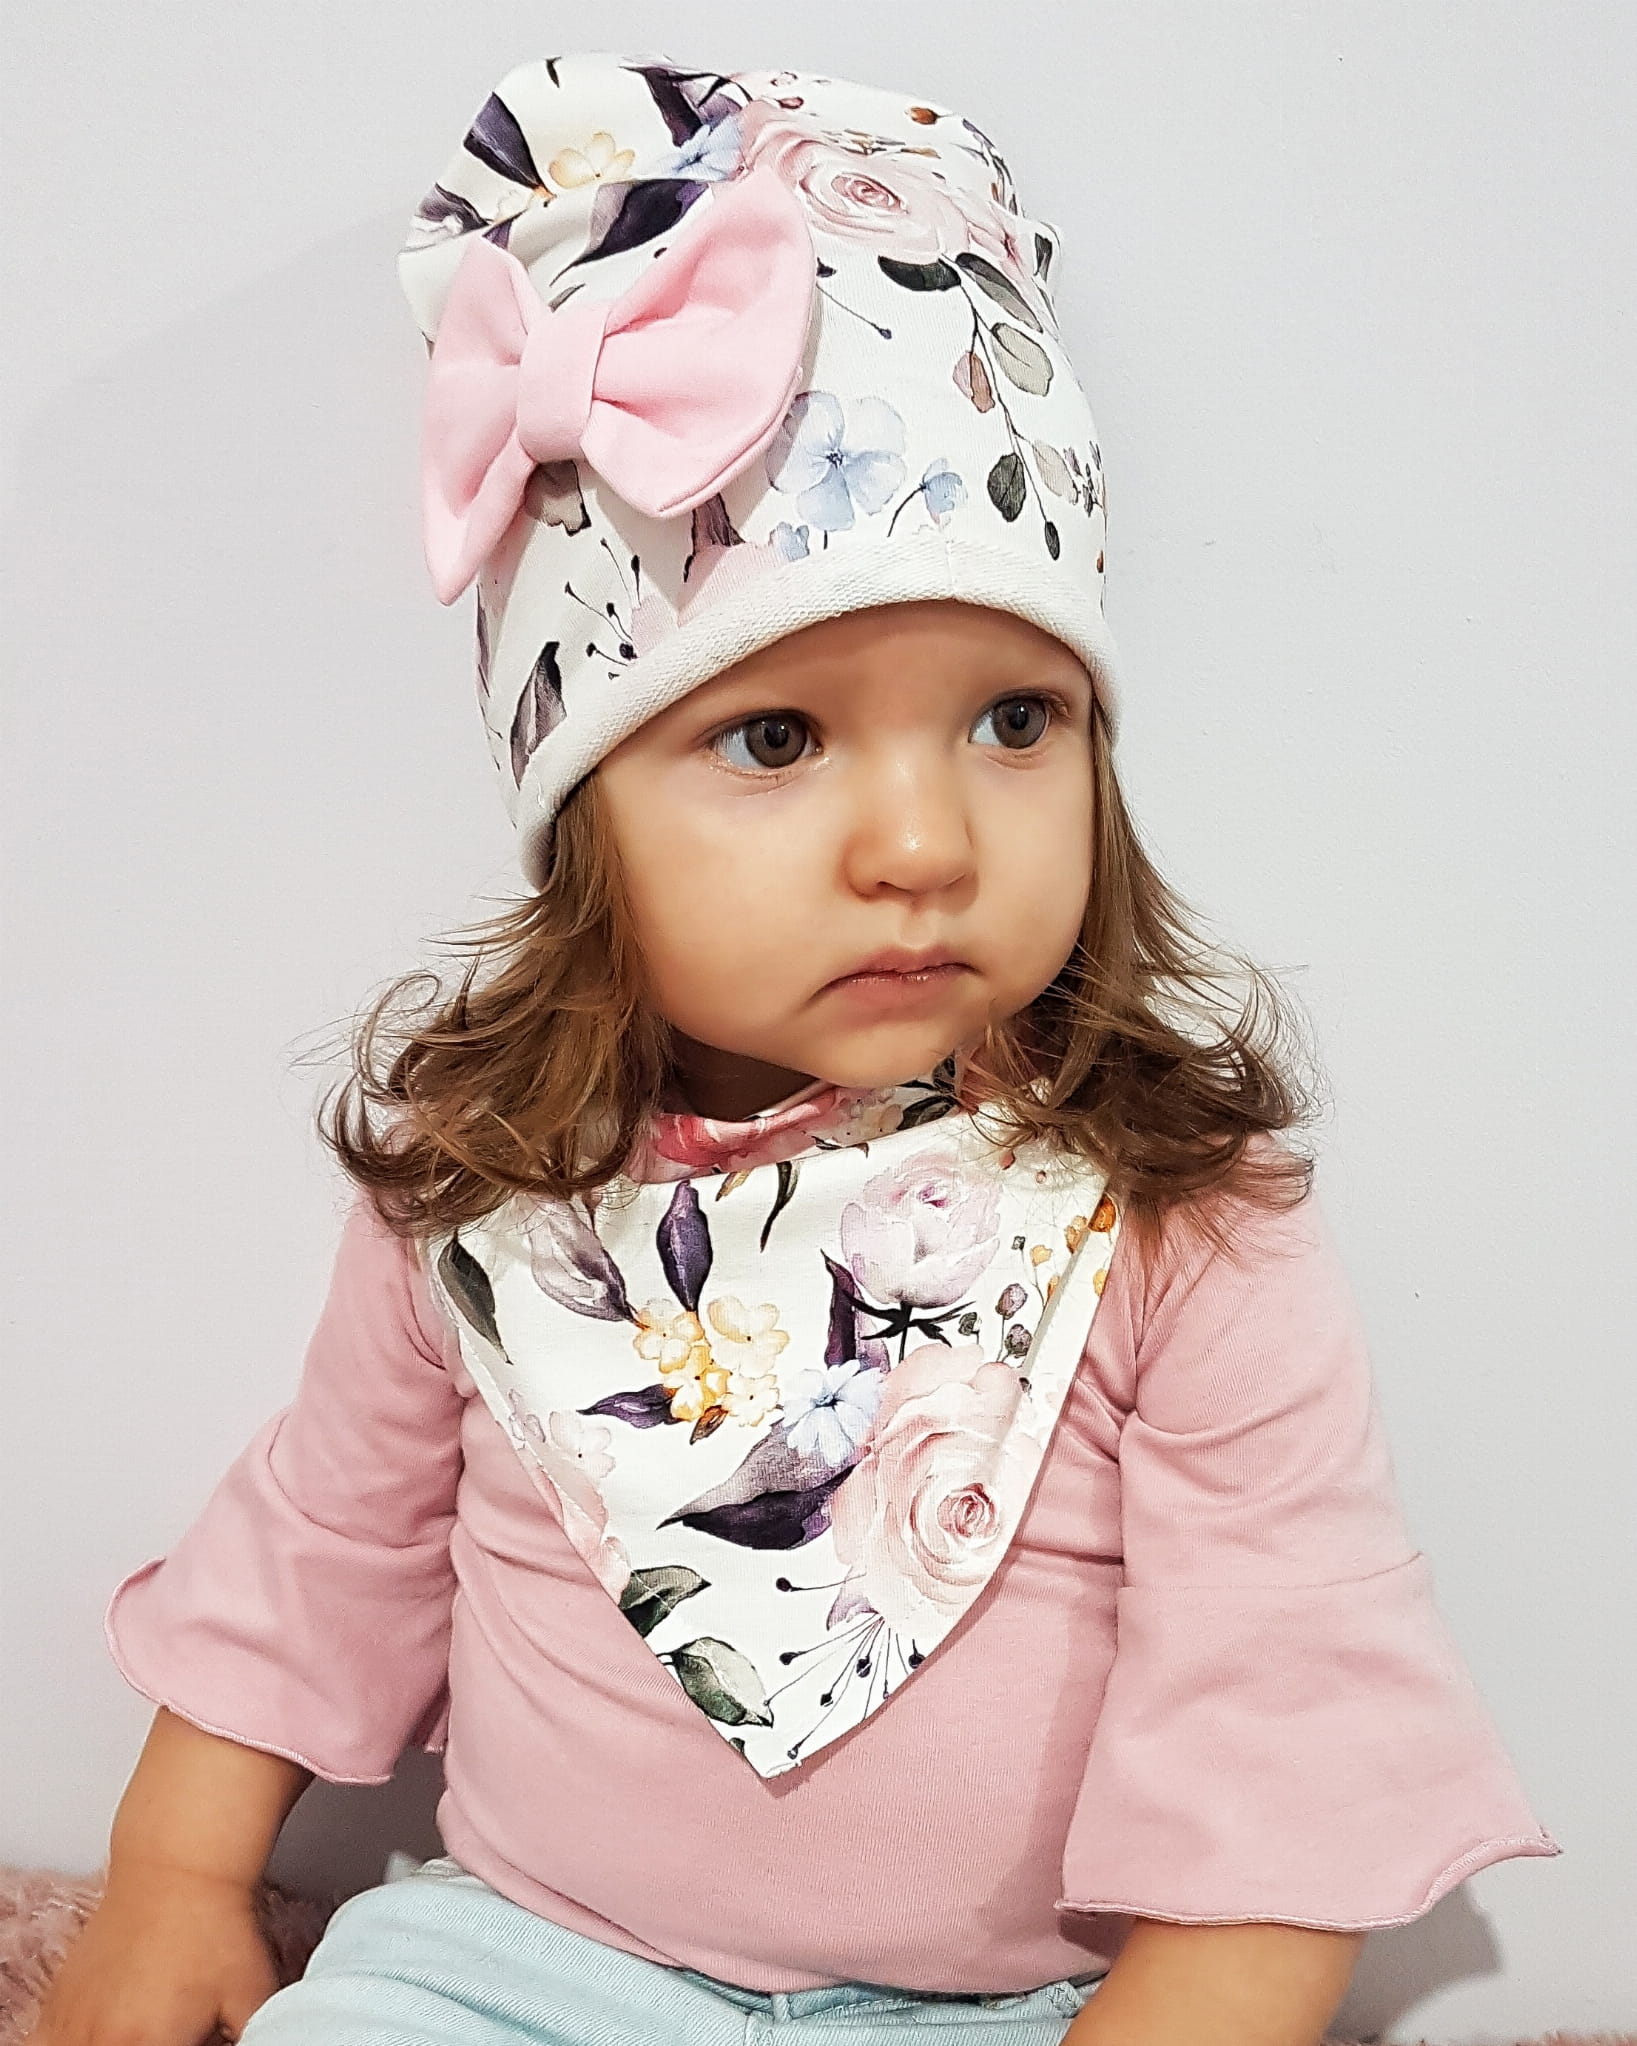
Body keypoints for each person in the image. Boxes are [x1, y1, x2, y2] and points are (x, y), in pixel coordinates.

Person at [31, 48, 1561, 2046]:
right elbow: (325, 1541)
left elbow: (1291, 1684)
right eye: (774, 737)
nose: (922, 843)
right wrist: (173, 1875)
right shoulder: (479, 1185)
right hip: (527, 1965)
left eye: (1013, 719)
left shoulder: (1182, 1217)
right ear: (583, 810)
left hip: (1016, 2013)